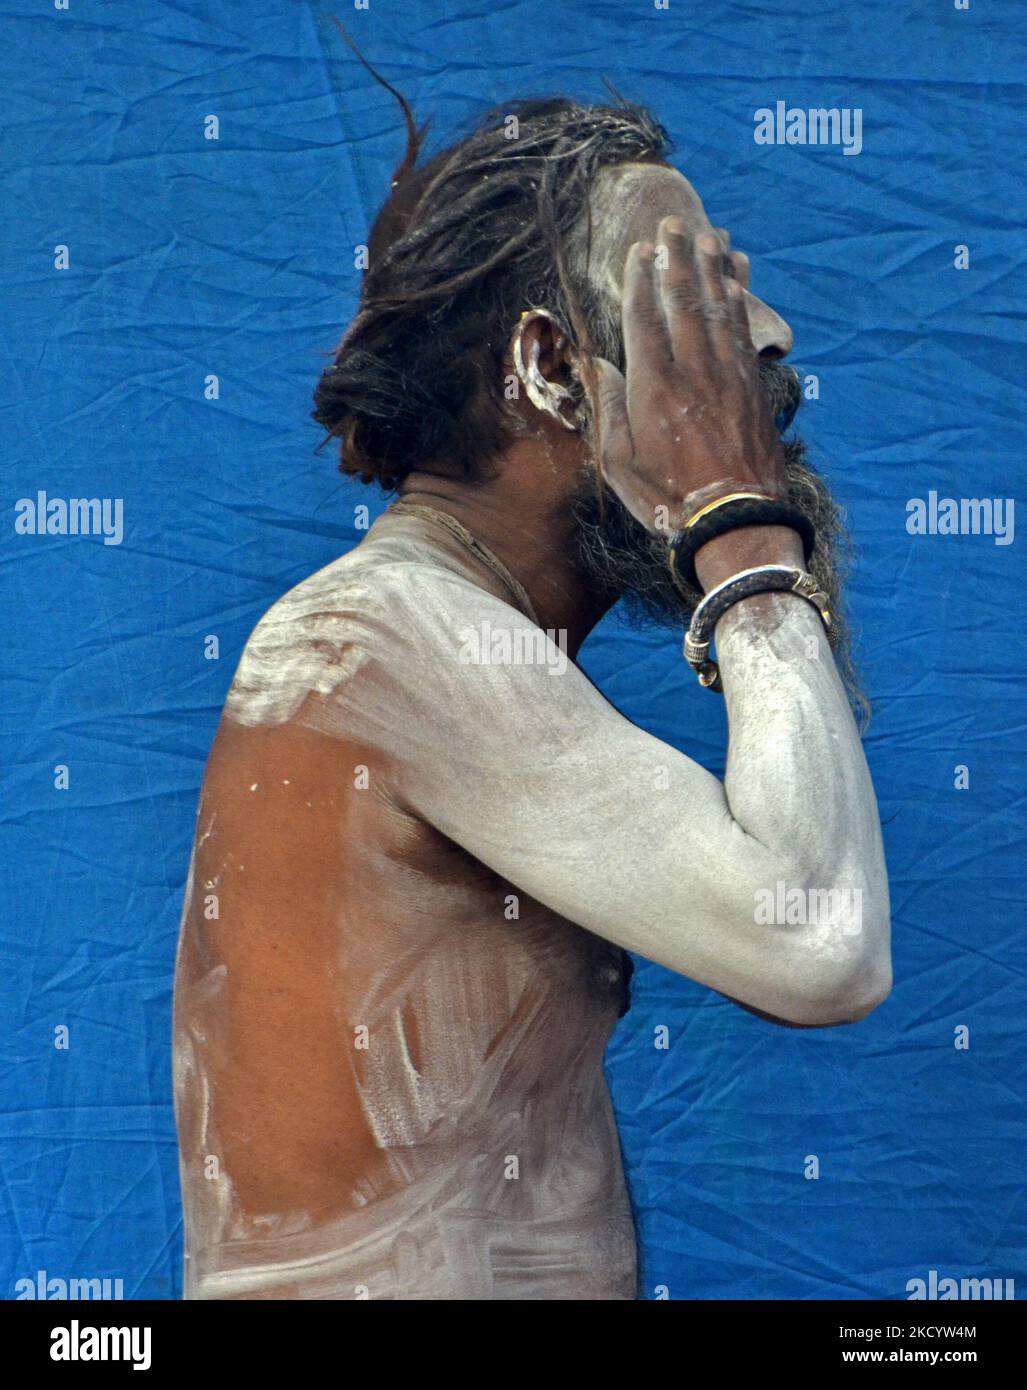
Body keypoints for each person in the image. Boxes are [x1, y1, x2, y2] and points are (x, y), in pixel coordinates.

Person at [172, 93, 891, 1301]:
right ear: (551, 368)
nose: (764, 342)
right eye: (694, 311)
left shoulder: (441, 635)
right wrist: (739, 530)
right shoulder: (380, 636)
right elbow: (819, 941)